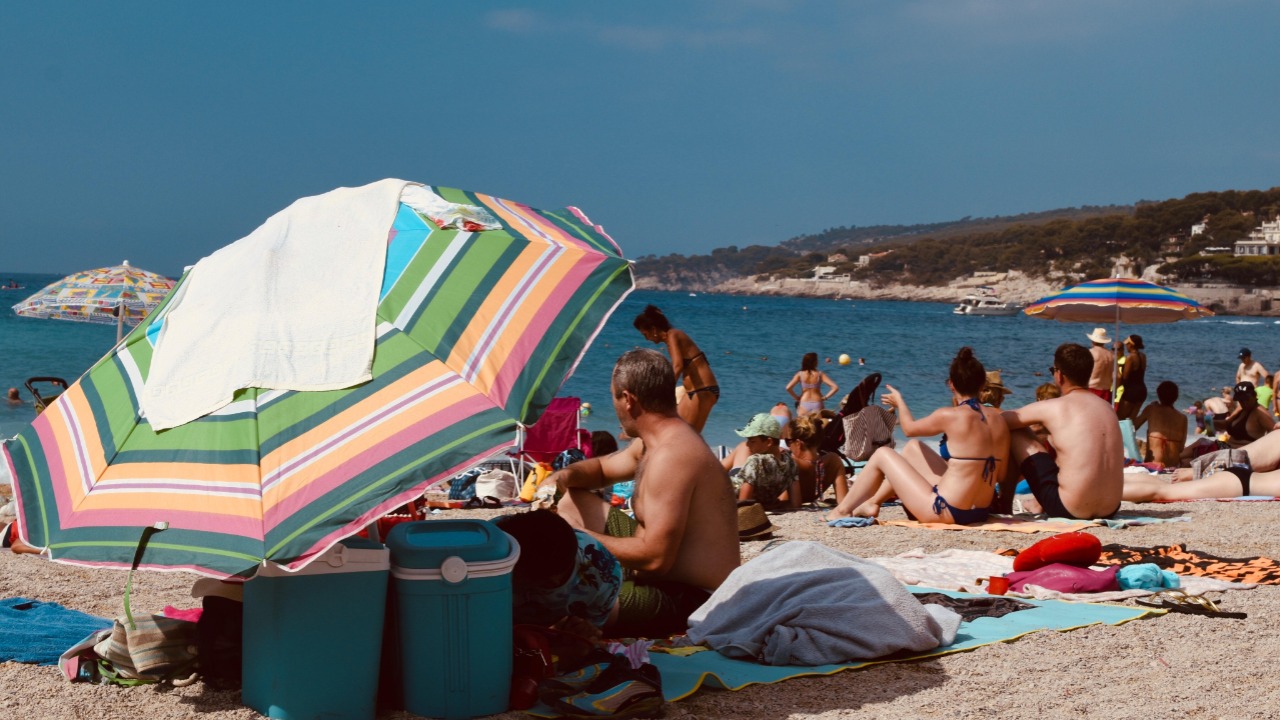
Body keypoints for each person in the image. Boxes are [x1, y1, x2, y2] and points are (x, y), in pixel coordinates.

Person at [549, 349, 740, 637]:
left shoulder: (673, 455)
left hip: (693, 599)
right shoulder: (653, 442)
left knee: (561, 608)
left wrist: (576, 536)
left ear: (628, 399)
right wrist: (560, 478)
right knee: (572, 500)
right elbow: (602, 469)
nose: (613, 405)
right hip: (657, 574)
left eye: (614, 396)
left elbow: (655, 558)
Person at [827, 347, 1009, 524]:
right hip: (980, 511)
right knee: (914, 447)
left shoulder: (950, 415)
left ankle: (841, 510)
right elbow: (1001, 475)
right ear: (983, 384)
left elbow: (909, 429)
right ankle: (873, 502)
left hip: (946, 510)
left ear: (951, 384)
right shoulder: (999, 420)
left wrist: (900, 403)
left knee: (883, 454)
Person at [1000, 343, 1124, 520]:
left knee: (1016, 431)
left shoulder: (1054, 407)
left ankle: (1004, 505)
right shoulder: (1107, 407)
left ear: (1059, 375)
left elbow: (1000, 420)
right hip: (1110, 507)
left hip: (1069, 508)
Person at [493, 510, 622, 631]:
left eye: (544, 584)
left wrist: (582, 632)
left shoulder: (604, 575)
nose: (553, 584)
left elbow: (591, 630)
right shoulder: (489, 548)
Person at [1124, 426, 1280, 502]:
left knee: (1162, 487)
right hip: (1241, 483)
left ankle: (1110, 482)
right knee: (1163, 491)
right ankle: (1108, 491)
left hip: (1241, 478)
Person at [633, 305, 718, 433]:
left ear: (654, 329)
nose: (646, 339)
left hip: (703, 391)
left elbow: (678, 366)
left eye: (646, 334)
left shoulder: (673, 335)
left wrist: (665, 391)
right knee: (674, 431)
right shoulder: (671, 338)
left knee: (688, 436)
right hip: (695, 391)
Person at [721, 413, 800, 509]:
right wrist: (771, 506)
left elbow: (743, 504)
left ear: (769, 442)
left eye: (752, 441)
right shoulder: (790, 462)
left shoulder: (755, 462)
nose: (747, 445)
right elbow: (795, 504)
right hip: (763, 503)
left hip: (725, 490)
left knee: (714, 474)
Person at [786, 414, 849, 504]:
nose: (788, 447)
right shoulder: (833, 461)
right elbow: (844, 502)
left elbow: (783, 500)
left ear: (798, 443)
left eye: (788, 441)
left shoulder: (790, 462)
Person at [1133, 381, 1188, 468]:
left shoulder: (1151, 409)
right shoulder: (1183, 418)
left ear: (1158, 395)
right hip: (1174, 466)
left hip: (1153, 465)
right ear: (1176, 397)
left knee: (1150, 432)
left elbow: (1132, 428)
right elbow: (1181, 448)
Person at [1115, 335, 1148, 422]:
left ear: (1131, 345)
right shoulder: (1143, 356)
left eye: (1127, 344)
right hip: (1142, 390)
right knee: (1130, 422)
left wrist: (1115, 389)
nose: (1126, 346)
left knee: (1120, 419)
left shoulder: (1130, 358)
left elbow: (1125, 377)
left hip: (1131, 391)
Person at [1085, 328, 1115, 402]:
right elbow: (1116, 375)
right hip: (1107, 391)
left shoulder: (1091, 353)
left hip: (1092, 388)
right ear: (1104, 342)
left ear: (1093, 340)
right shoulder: (1112, 355)